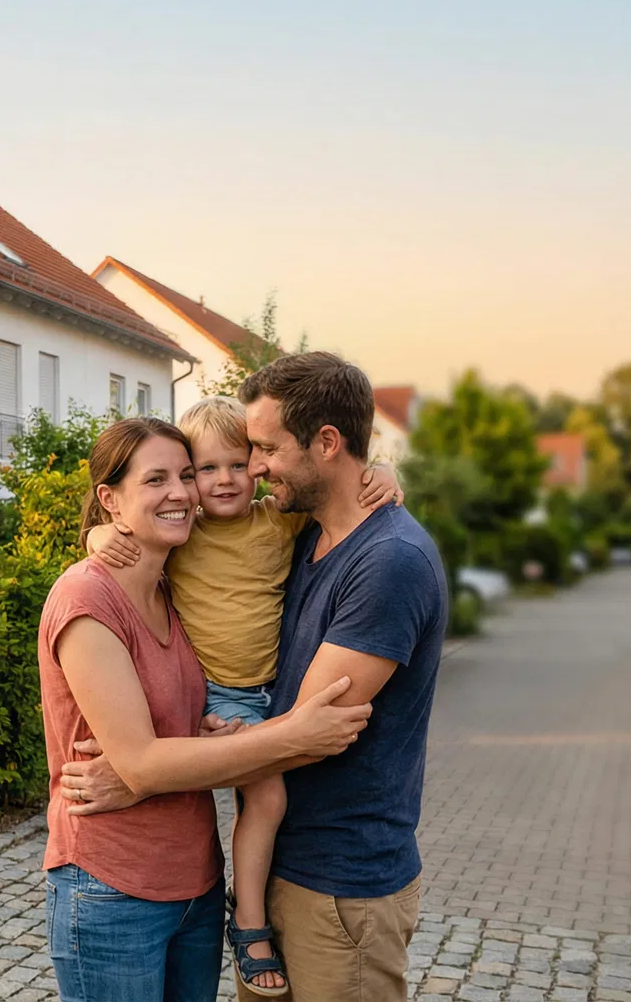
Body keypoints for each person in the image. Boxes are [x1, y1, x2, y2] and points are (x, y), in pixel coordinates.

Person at [62, 354, 447, 1002]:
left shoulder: (388, 562)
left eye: (263, 449)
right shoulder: (309, 536)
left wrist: (141, 775)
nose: (254, 468)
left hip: (339, 886)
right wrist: (105, 535)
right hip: (286, 875)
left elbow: (308, 735)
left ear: (327, 443)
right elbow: (149, 529)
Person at [38, 415, 374, 1002]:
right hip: (113, 886)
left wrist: (144, 774)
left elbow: (158, 747)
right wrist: (296, 735)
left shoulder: (174, 588)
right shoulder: (87, 597)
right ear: (109, 499)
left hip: (193, 885)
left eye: (185, 475)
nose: (180, 491)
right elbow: (142, 758)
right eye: (155, 479)